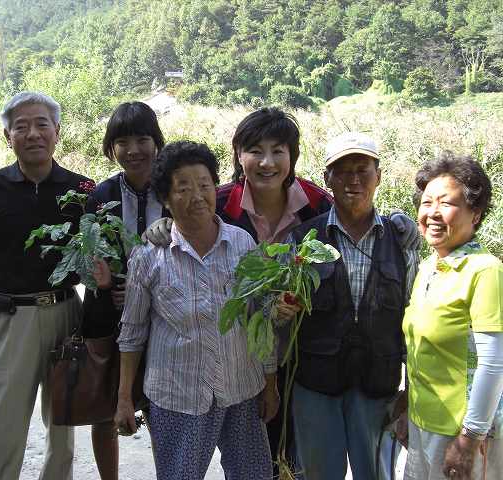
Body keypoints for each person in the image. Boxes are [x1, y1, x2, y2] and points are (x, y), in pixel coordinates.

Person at [146, 108, 420, 476]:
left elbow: (357, 218)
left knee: (293, 454)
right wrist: (163, 225)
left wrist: (401, 225)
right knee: (257, 452)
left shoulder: (315, 202)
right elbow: (186, 215)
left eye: (278, 150)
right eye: (255, 150)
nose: (267, 162)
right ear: (238, 155)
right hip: (239, 354)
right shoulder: (219, 201)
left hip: (302, 355)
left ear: (292, 157)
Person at [111, 141, 278, 480]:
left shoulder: (243, 244)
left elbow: (260, 318)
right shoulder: (148, 256)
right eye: (183, 188)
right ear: (166, 199)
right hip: (177, 395)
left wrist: (270, 382)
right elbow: (132, 332)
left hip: (241, 390)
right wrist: (124, 398)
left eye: (204, 185)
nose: (197, 196)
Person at [0, 91, 94, 480]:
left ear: (57, 131)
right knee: (3, 422)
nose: (32, 133)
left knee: (63, 423)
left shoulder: (82, 189)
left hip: (67, 313)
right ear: (7, 136)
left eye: (41, 124)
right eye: (21, 126)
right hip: (11, 315)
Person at [277, 132, 418, 480]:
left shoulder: (402, 242)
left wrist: (410, 392)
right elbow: (280, 319)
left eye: (362, 170)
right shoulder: (302, 241)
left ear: (379, 176)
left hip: (378, 387)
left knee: (376, 473)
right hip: (315, 385)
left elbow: (413, 321)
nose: (353, 180)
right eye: (341, 171)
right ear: (328, 179)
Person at [402, 152, 503, 480]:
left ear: (475, 213)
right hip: (423, 425)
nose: (432, 212)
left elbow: (493, 363)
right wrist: (408, 407)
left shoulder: (485, 271)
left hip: (461, 432)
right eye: (427, 202)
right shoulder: (429, 267)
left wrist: (469, 438)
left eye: (446, 203)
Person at [81, 101, 166, 480]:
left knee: (160, 408)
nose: (133, 150)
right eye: (122, 141)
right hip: (108, 316)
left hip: (163, 317)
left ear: (156, 142)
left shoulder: (173, 187)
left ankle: (169, 471)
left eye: (142, 139)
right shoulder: (100, 195)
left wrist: (141, 290)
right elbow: (85, 257)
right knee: (105, 409)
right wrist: (103, 284)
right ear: (110, 147)